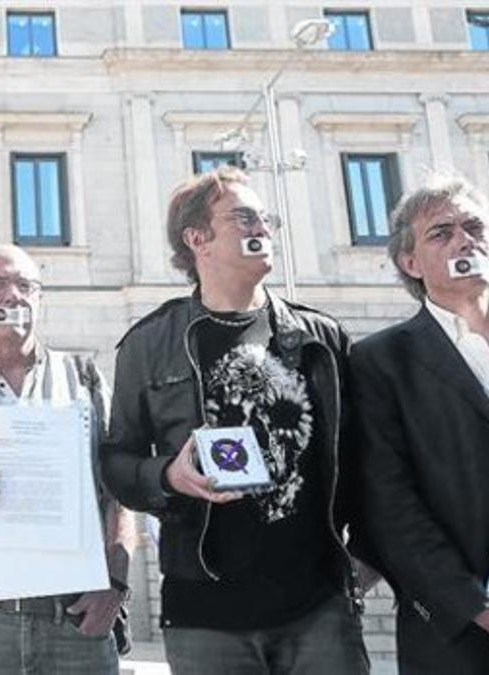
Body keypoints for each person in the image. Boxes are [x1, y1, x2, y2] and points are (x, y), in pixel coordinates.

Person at [101, 166, 369, 674]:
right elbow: (116, 462)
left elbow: (367, 461)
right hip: (206, 613)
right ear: (197, 238)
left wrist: (363, 564)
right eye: (244, 218)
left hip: (319, 610)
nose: (262, 229)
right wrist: (168, 476)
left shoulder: (322, 338)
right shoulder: (149, 344)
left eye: (265, 219)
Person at [0, 245, 134, 674]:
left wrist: (116, 586)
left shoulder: (84, 380)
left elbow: (117, 495)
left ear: (39, 299)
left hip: (75, 623)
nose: (12, 295)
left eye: (25, 285)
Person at [350, 174, 489, 674]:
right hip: (458, 635)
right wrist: (475, 606)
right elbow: (390, 507)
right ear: (409, 263)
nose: (465, 239)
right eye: (442, 232)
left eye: (474, 226)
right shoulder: (380, 362)